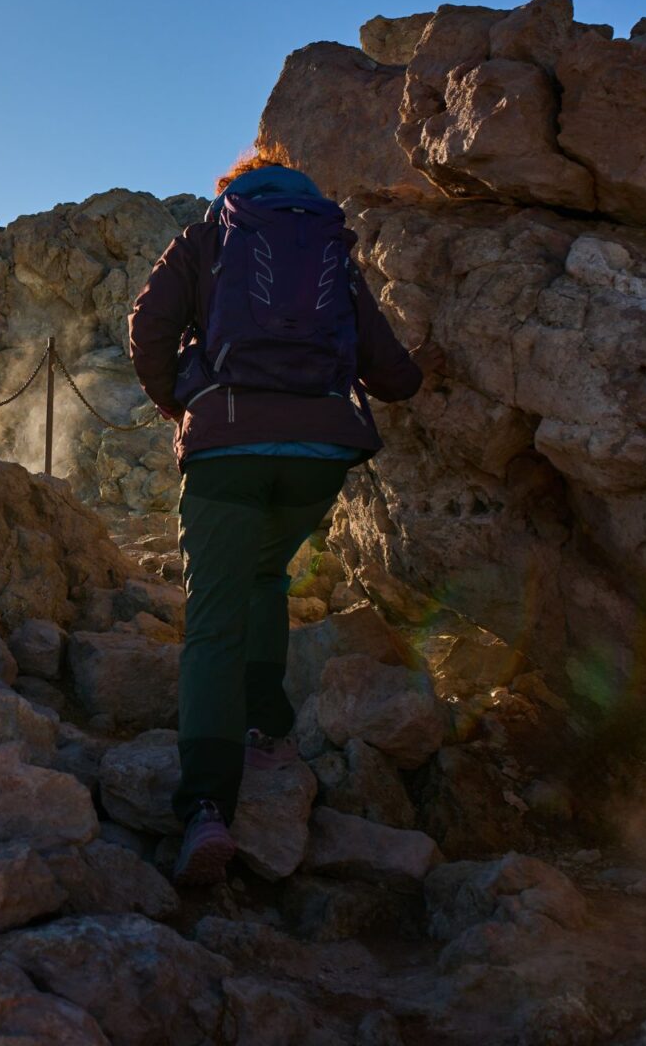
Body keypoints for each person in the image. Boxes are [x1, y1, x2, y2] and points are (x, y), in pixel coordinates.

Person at [127, 143, 439, 887]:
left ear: (230, 193)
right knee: (266, 571)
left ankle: (206, 803)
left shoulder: (207, 237)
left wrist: (180, 402)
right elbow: (395, 376)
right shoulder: (330, 247)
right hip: (318, 455)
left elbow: (147, 326)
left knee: (212, 616)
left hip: (225, 448)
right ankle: (266, 723)